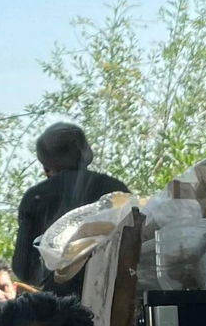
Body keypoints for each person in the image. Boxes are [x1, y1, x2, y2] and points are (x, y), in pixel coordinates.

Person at [11, 122, 129, 288]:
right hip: (113, 295)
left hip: (60, 304)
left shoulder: (35, 198)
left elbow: (24, 268)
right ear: (86, 152)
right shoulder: (116, 189)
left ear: (46, 164)